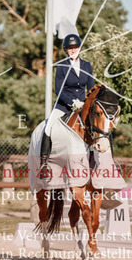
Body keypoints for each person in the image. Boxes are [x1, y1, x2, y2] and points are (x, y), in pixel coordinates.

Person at [39, 34, 94, 178]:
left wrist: (87, 103)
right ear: (65, 50)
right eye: (70, 48)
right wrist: (72, 102)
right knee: (48, 127)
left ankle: (99, 161)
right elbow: (58, 90)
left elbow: (91, 88)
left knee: (98, 126)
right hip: (63, 105)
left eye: (75, 47)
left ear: (79, 48)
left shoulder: (87, 65)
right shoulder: (62, 66)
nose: (73, 50)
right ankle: (44, 165)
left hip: (82, 105)